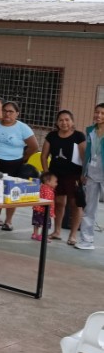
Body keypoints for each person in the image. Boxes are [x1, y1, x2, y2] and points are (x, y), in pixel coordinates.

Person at [0, 101, 38, 230]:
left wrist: (23, 158)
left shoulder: (23, 128)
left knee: (11, 193)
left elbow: (34, 146)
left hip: (14, 163)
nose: (7, 114)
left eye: (11, 111)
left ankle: (8, 221)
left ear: (17, 113)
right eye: (5, 111)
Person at [41, 109, 86, 244]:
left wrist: (84, 174)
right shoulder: (51, 136)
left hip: (74, 175)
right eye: (61, 120)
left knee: (75, 204)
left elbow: (84, 157)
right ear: (57, 122)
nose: (64, 122)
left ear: (72, 122)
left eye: (67, 120)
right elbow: (44, 156)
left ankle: (73, 235)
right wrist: (47, 173)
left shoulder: (79, 136)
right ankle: (57, 231)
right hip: (56, 175)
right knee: (59, 203)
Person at [77, 103, 104, 251]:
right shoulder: (90, 130)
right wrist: (84, 172)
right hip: (92, 173)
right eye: (97, 112)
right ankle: (86, 241)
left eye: (102, 113)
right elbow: (87, 153)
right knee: (89, 209)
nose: (98, 115)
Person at [33, 171, 57, 241]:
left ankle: (35, 234)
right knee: (45, 224)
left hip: (37, 208)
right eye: (55, 182)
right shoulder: (49, 191)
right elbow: (48, 203)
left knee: (37, 222)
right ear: (48, 182)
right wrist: (51, 213)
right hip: (44, 211)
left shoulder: (41, 187)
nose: (56, 184)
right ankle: (42, 236)